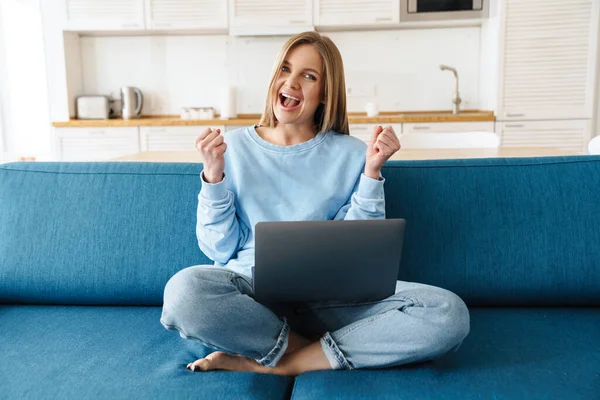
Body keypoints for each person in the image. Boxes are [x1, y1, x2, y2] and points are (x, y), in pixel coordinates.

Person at [160, 31, 470, 376]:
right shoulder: (229, 148)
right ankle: (320, 353)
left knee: (447, 312)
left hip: (333, 300)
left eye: (309, 76)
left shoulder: (353, 153)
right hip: (252, 298)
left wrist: (371, 173)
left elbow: (361, 254)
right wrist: (214, 178)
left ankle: (281, 366)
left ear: (325, 94)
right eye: (286, 69)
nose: (291, 82)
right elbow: (219, 249)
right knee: (184, 293)